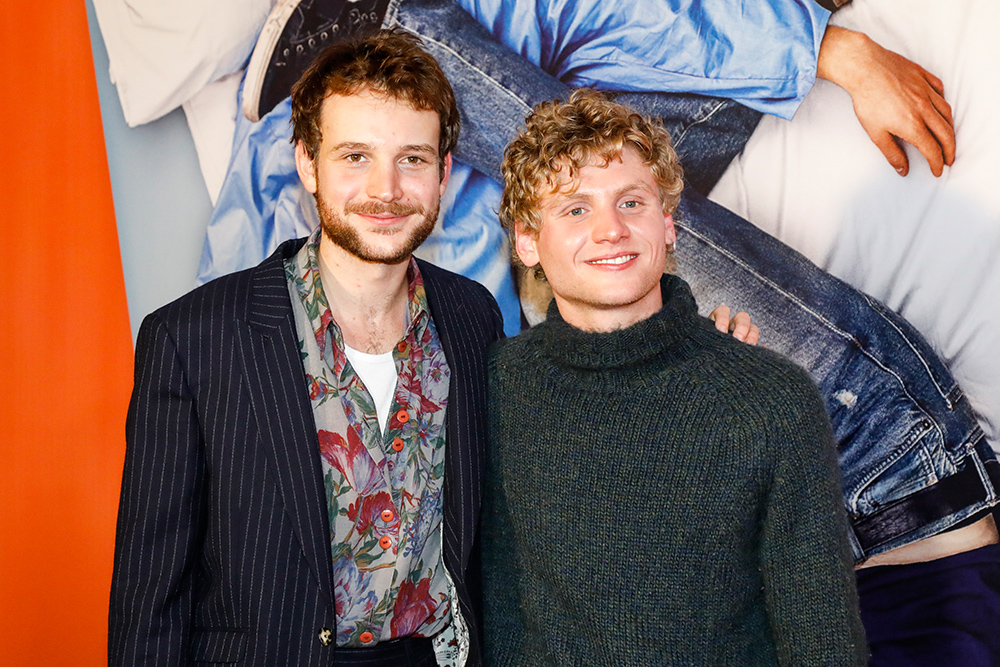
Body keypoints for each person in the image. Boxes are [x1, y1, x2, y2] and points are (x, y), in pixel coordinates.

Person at [108, 29, 751, 667]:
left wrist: (687, 360)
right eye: (355, 156)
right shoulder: (194, 340)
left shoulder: (471, 316)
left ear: (443, 173)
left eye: (412, 159)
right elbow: (149, 602)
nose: (386, 189)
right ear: (307, 162)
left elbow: (559, 440)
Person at [481, 89, 867, 665]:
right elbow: (498, 608)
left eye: (631, 202)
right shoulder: (495, 386)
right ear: (528, 241)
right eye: (576, 209)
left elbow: (822, 638)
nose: (611, 229)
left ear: (667, 225)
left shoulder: (770, 399)